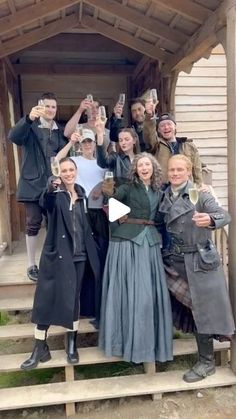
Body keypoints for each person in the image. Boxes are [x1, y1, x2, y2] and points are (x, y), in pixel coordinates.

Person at [159, 154, 235, 382]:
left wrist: (210, 220)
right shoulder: (164, 195)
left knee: (201, 309)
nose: (174, 174)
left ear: (189, 172)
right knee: (183, 303)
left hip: (198, 261)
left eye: (179, 170)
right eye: (171, 170)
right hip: (174, 261)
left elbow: (224, 215)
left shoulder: (200, 194)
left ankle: (207, 362)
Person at [20, 158, 100, 370]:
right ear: (59, 173)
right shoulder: (54, 196)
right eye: (64, 170)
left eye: (71, 169)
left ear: (76, 171)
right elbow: (45, 203)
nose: (68, 173)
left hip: (80, 256)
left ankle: (71, 344)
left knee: (74, 300)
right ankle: (39, 347)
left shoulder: (82, 194)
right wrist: (49, 188)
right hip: (57, 256)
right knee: (45, 299)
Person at [99, 153, 173, 363]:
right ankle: (125, 343)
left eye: (147, 164)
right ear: (135, 169)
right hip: (127, 242)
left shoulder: (160, 190)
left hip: (149, 242)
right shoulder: (128, 187)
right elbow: (111, 201)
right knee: (131, 292)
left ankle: (148, 343)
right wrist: (110, 194)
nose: (144, 168)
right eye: (140, 165)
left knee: (147, 295)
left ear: (154, 167)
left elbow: (163, 214)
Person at [8, 92, 67, 282]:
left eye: (53, 107)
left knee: (53, 223)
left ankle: (51, 262)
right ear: (40, 107)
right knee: (33, 223)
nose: (50, 110)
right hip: (32, 183)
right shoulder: (30, 126)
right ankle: (31, 264)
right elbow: (13, 137)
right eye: (47, 106)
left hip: (52, 184)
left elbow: (61, 154)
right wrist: (28, 118)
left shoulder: (59, 130)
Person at [56, 125, 109, 325]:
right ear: (80, 144)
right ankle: (80, 305)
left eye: (90, 141)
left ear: (95, 144)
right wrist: (70, 141)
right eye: (84, 142)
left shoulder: (102, 162)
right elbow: (56, 161)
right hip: (79, 210)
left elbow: (110, 180)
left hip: (98, 213)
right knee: (82, 257)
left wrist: (101, 189)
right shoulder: (74, 162)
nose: (87, 145)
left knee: (98, 256)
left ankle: (96, 305)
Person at [143, 112, 203, 186]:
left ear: (175, 126)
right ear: (158, 130)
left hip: (186, 188)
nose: (166, 127)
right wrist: (149, 115)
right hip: (164, 190)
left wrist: (199, 186)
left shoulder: (189, 145)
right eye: (162, 125)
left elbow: (197, 169)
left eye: (169, 124)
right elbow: (149, 134)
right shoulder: (156, 145)